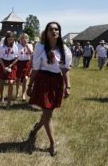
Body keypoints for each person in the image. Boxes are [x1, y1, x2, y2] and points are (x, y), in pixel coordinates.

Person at [27, 22, 72, 156]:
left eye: (56, 29)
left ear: (59, 32)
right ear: (46, 33)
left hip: (56, 82)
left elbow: (65, 69)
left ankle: (36, 129)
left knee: (48, 113)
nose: (54, 31)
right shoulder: (40, 48)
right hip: (43, 81)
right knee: (47, 114)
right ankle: (52, 143)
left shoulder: (65, 49)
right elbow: (35, 69)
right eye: (51, 29)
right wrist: (30, 85)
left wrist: (68, 86)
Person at [0, 31, 18, 106]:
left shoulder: (15, 47)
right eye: (9, 39)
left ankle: (9, 100)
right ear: (6, 39)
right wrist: (3, 66)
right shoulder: (2, 46)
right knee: (2, 81)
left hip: (12, 64)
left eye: (12, 39)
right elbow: (0, 57)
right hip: (3, 63)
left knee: (11, 82)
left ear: (13, 39)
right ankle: (2, 97)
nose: (10, 40)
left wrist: (11, 65)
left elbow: (17, 58)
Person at [15, 33, 33, 100]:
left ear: (28, 39)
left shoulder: (30, 45)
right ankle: (17, 92)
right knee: (18, 79)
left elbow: (31, 53)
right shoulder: (17, 45)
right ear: (21, 39)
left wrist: (27, 46)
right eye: (23, 38)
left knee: (25, 78)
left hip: (26, 63)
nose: (24, 39)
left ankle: (23, 94)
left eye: (26, 38)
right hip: (19, 63)